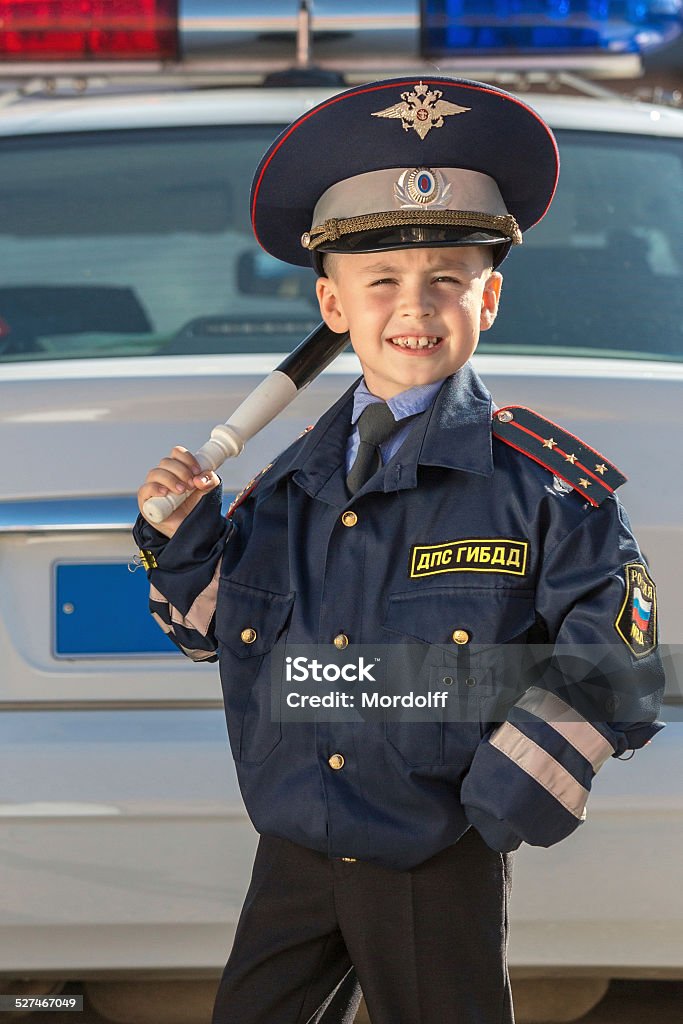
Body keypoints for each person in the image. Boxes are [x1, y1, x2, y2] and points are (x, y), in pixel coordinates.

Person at [133, 77, 664, 1024]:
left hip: (433, 849)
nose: (412, 308)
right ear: (332, 306)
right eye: (380, 282)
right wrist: (180, 540)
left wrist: (499, 798)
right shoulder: (288, 481)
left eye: (445, 281)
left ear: (488, 298)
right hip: (295, 841)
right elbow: (210, 630)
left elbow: (617, 660)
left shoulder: (538, 485)